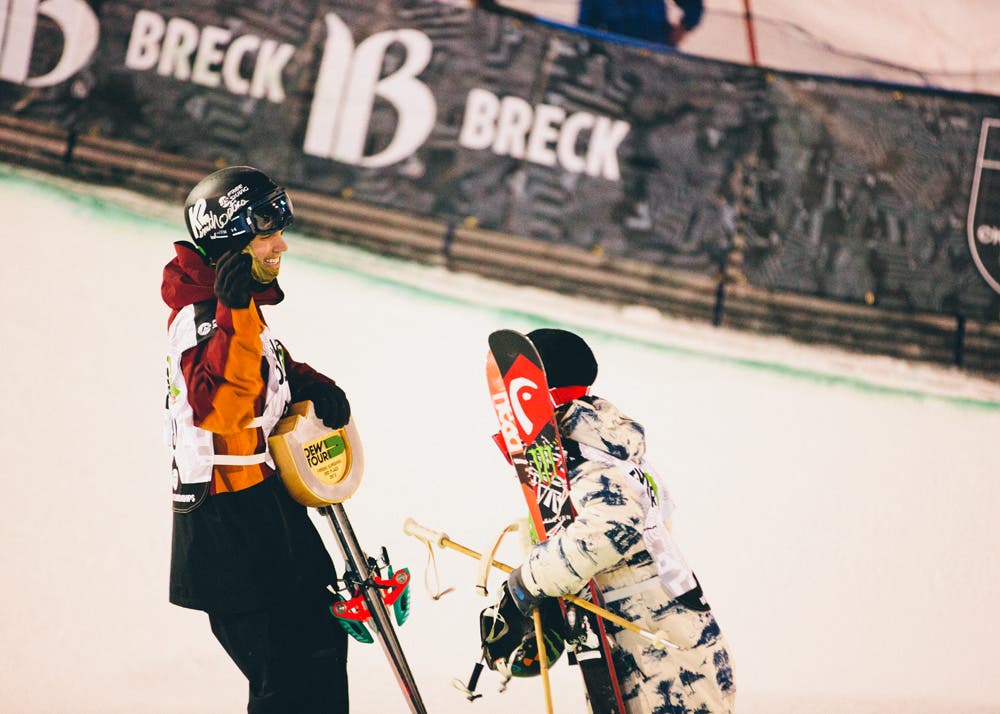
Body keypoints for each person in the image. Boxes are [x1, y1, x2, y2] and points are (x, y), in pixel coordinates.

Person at [163, 165, 352, 713]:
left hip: (265, 502)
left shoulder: (234, 309)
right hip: (227, 522)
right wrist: (236, 311)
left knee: (321, 645)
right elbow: (222, 409)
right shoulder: (204, 317)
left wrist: (312, 384)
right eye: (268, 235)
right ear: (233, 237)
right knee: (286, 680)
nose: (281, 246)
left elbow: (270, 369)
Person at [501, 328, 736, 713]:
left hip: (666, 664)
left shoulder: (589, 458)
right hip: (665, 645)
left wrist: (528, 582)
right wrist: (553, 605)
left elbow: (613, 531)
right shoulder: (604, 452)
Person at [577, 0, 703, 47]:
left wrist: (682, 29)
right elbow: (585, 33)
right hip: (618, 59)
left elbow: (694, 6)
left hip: (659, 53)